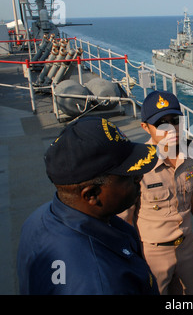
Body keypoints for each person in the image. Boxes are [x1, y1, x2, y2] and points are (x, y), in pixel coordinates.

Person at [17, 116, 160, 295]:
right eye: (131, 176)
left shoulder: (38, 219)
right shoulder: (102, 283)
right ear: (91, 194)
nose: (140, 178)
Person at [119, 90, 193, 295]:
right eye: (161, 122)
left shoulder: (191, 153)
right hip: (152, 253)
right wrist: (131, 256)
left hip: (186, 247)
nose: (171, 128)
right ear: (145, 127)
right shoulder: (136, 165)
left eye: (174, 120)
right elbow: (125, 219)